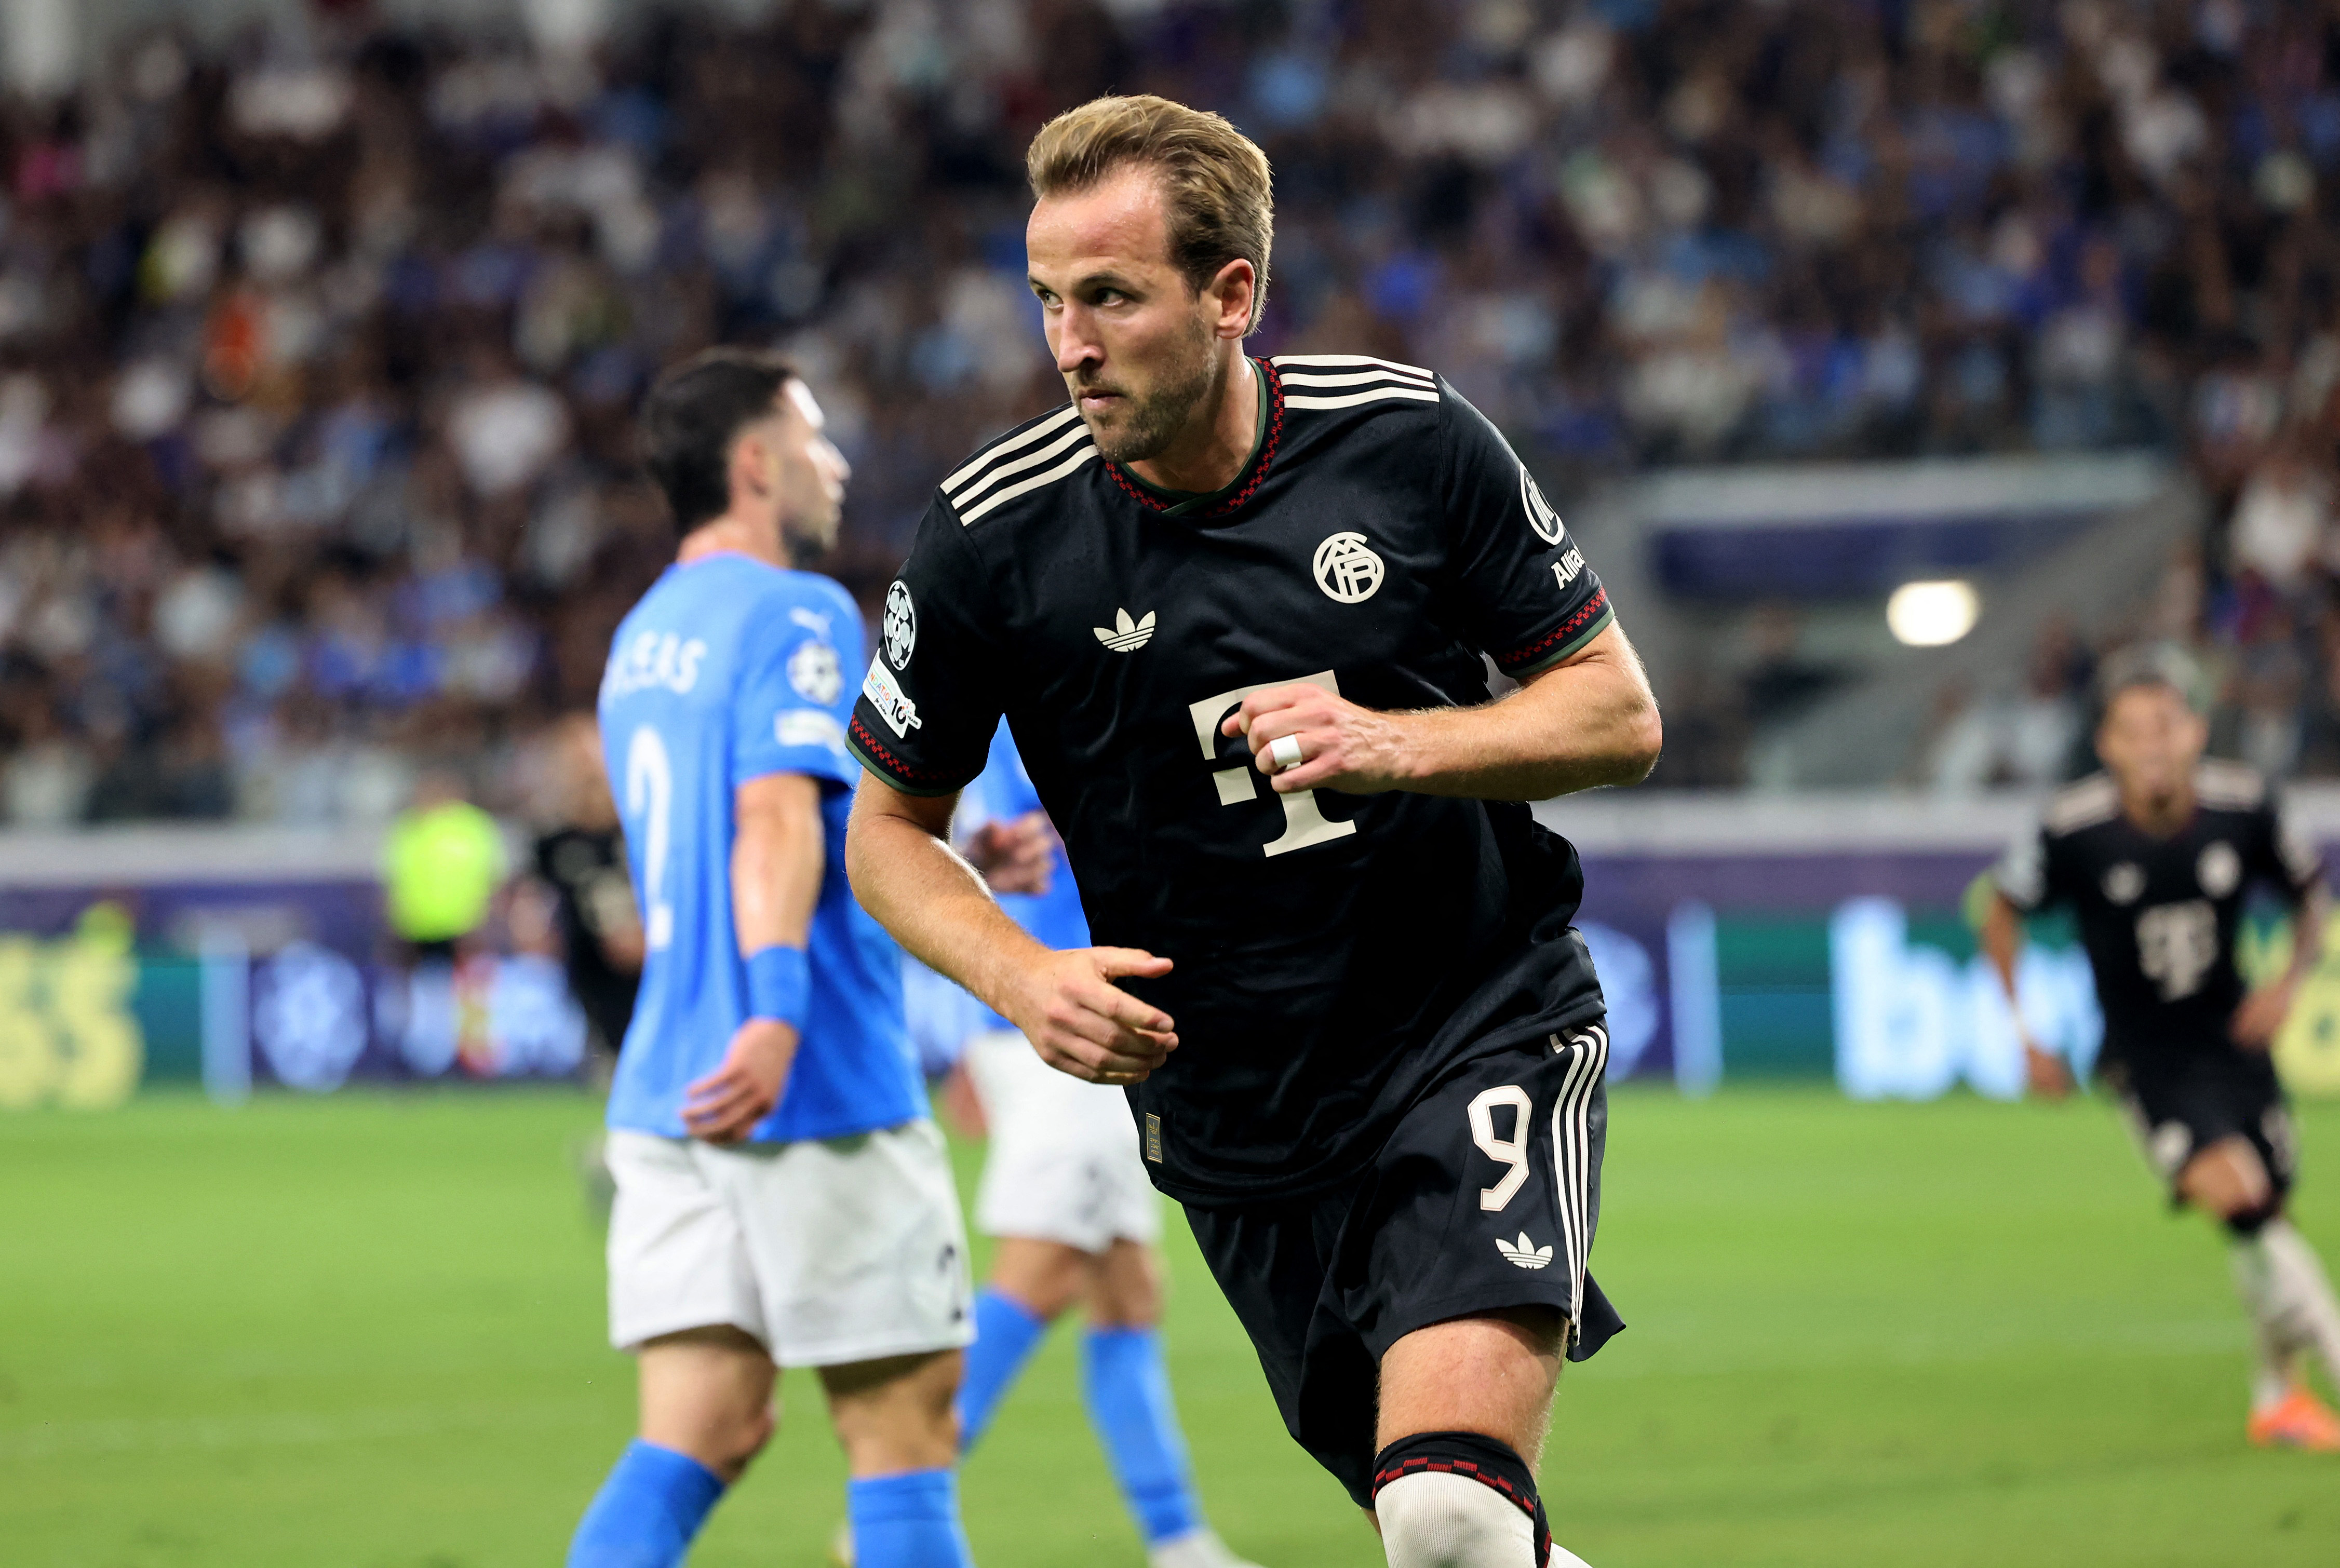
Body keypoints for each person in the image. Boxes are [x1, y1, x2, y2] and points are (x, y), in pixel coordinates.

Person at [843, 96, 1662, 1568]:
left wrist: (1391, 740)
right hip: (1233, 1121)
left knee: (1448, 1510)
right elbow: (886, 830)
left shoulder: (1407, 443)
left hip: (1470, 1026)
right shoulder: (991, 540)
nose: (1070, 343)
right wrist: (1021, 977)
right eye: (1047, 300)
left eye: (1110, 296)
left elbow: (1616, 714)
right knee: (1459, 1538)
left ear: (1232, 296)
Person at [569, 348, 978, 1568]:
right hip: (804, 1076)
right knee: (905, 1425)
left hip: (665, 1087)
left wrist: (960, 863)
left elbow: (741, 839)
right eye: (812, 439)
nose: (834, 463)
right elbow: (771, 820)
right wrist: (780, 1010)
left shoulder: (640, 637)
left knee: (706, 1425)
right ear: (753, 463)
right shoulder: (795, 608)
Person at [1982, 653, 2340, 1452]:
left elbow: (2310, 890)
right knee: (2242, 1203)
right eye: (2132, 730)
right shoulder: (2072, 829)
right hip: (2146, 1061)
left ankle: (2277, 1400)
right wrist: (2026, 1035)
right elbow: (1997, 913)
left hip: (2236, 1046)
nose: (2153, 744)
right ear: (2105, 745)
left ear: (2196, 733)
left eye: (2166, 726)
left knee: (2265, 1218)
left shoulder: (2242, 807)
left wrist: (2286, 982)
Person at [946, 723, 1262, 1568]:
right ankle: (896, 1501)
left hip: (1062, 1013)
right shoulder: (1051, 681)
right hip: (1071, 1012)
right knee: (1041, 1271)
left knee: (1127, 1290)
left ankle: (1177, 1540)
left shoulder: (1003, 695)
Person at [533, 711, 646, 1076]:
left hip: (649, 957)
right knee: (609, 1048)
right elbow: (540, 900)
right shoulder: (556, 840)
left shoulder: (639, 829)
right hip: (588, 960)